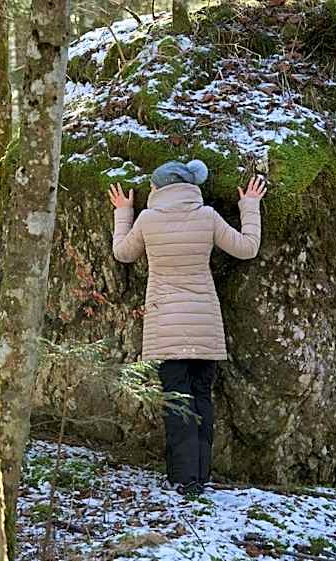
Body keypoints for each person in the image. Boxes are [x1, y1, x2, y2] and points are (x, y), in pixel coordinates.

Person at [108, 159, 265, 496]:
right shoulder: (206, 216)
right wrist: (249, 206)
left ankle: (183, 479)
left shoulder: (148, 220)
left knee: (177, 402)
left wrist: (124, 212)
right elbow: (247, 248)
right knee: (202, 399)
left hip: (166, 325)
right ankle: (200, 474)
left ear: (161, 188)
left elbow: (122, 253)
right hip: (204, 323)